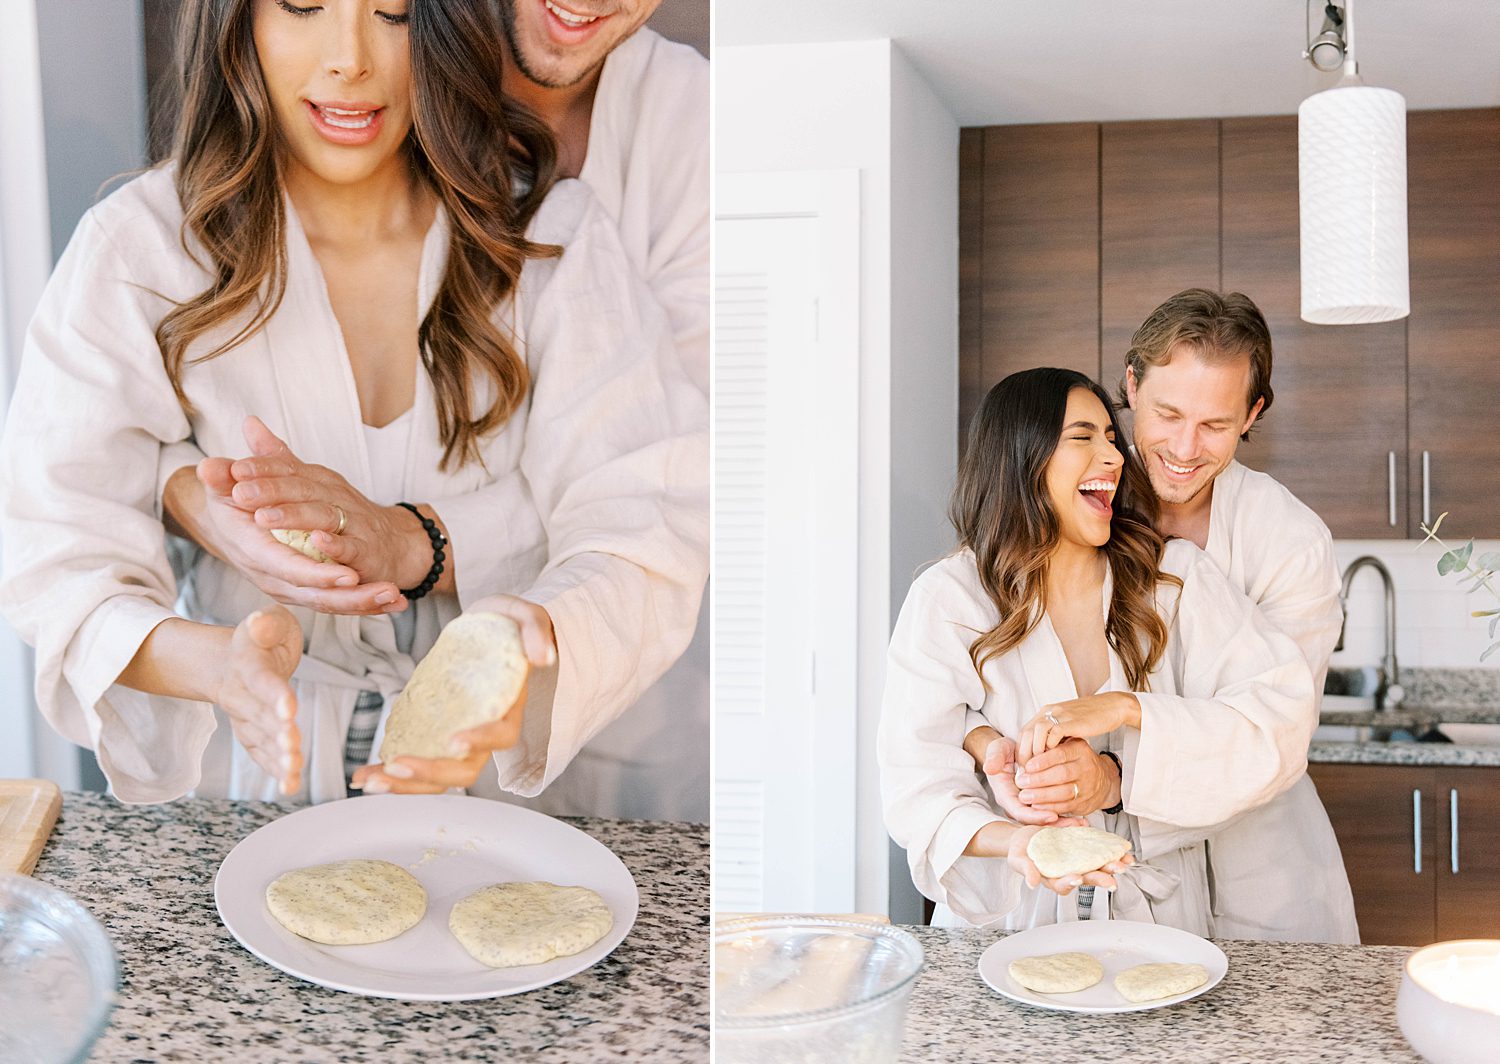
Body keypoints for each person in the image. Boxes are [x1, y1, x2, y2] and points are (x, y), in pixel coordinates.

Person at [0, 0, 704, 806]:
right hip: (260, 792)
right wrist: (222, 667)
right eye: (303, 5)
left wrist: (518, 654)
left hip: (505, 807)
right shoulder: (140, 250)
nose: (350, 59)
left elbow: (645, 521)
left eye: (394, 13)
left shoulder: (553, 237)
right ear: (237, 22)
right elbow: (55, 552)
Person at [878, 367, 1345, 934]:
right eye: (1083, 437)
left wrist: (1129, 723)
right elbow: (915, 783)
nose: (1114, 456)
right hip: (1008, 925)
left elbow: (1279, 718)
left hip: (1164, 922)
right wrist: (1021, 843)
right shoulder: (950, 598)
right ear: (1021, 455)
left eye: (1109, 436)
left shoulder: (1174, 580)